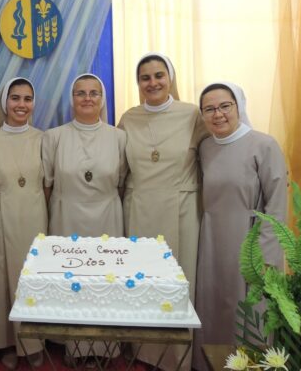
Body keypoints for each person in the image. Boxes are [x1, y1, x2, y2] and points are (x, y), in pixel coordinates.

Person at [117, 52, 208, 370]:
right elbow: (120, 169)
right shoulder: (129, 118)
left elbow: (213, 157)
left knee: (177, 283)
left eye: (159, 75)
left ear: (170, 78)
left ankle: (177, 358)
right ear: (138, 82)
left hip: (181, 209)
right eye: (145, 77)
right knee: (143, 281)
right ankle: (144, 351)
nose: (152, 82)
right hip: (140, 209)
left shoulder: (192, 114)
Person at [192, 82, 287, 370]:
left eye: (225, 106)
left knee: (249, 313)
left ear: (239, 106)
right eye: (209, 109)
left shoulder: (264, 144)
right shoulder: (206, 147)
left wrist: (267, 254)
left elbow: (277, 205)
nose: (218, 114)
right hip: (212, 240)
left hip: (250, 241)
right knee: (214, 307)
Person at [42, 73, 127, 364]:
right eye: (81, 93)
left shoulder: (119, 137)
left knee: (105, 281)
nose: (87, 98)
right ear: (72, 99)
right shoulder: (53, 137)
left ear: (102, 99)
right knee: (72, 282)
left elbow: (123, 181)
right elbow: (47, 184)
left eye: (94, 93)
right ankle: (73, 347)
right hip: (66, 217)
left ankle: (105, 348)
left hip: (107, 216)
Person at [0, 78, 45, 369]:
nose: (21, 104)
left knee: (33, 279)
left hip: (35, 216)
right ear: (4, 102)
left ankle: (34, 343)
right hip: (3, 216)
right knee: (5, 279)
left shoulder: (43, 139)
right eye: (15, 98)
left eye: (27, 99)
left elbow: (48, 185)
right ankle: (7, 342)